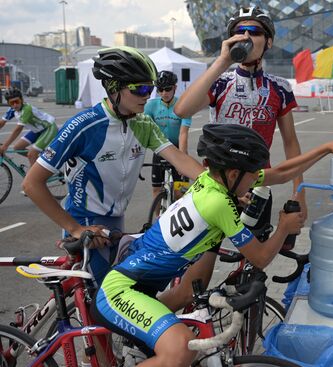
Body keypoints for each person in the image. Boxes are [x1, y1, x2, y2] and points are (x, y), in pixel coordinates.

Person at [91, 123, 333, 366]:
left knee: (181, 343)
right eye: (253, 173)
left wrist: (327, 148)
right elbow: (260, 258)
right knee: (180, 351)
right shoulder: (218, 202)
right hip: (120, 291)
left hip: (140, 288)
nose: (257, 178)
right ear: (234, 174)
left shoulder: (212, 181)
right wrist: (283, 228)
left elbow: (280, 173)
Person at [22, 46, 204, 285]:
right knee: (105, 306)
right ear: (114, 88)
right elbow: (32, 184)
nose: (147, 95)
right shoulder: (84, 125)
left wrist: (222, 186)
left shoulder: (143, 124)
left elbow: (179, 158)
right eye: (140, 88)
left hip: (116, 221)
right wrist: (75, 229)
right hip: (86, 223)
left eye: (150, 88)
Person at [174, 6, 307, 243]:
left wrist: (300, 194)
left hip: (258, 186)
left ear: (268, 42)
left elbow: (291, 143)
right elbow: (182, 109)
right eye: (238, 31)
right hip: (216, 186)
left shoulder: (280, 88)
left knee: (252, 271)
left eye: (254, 31)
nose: (245, 37)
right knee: (200, 265)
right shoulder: (220, 82)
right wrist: (222, 61)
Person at [144, 70, 192, 210]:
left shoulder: (183, 105)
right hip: (160, 149)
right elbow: (144, 130)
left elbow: (183, 134)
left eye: (168, 89)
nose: (164, 93)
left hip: (178, 149)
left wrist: (182, 162)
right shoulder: (151, 106)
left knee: (180, 193)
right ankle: (158, 220)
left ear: (175, 88)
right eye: (160, 89)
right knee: (156, 189)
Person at [0, 88, 57, 166]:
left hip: (49, 128)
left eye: (17, 101)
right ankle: (43, 163)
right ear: (8, 103)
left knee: (31, 154)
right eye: (12, 103)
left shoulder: (27, 109)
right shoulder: (12, 109)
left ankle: (38, 175)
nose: (15, 105)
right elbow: (1, 123)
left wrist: (5, 146)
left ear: (22, 100)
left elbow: (18, 129)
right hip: (37, 131)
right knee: (18, 148)